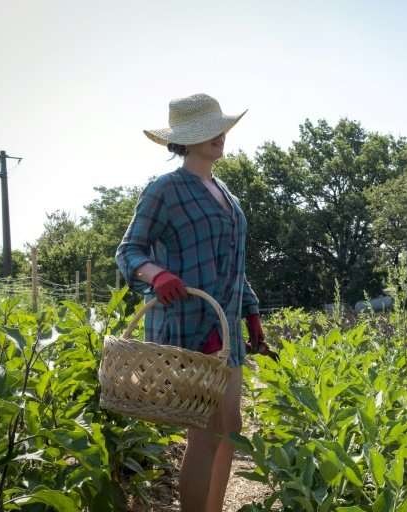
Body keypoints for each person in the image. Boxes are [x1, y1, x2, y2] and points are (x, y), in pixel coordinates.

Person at [116, 93, 270, 511]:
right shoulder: (165, 190)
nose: (219, 137)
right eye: (207, 132)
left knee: (231, 428)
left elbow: (234, 268)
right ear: (184, 140)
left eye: (220, 129)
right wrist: (157, 275)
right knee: (204, 431)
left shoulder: (229, 196)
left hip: (226, 326)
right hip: (187, 323)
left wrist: (252, 315)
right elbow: (129, 250)